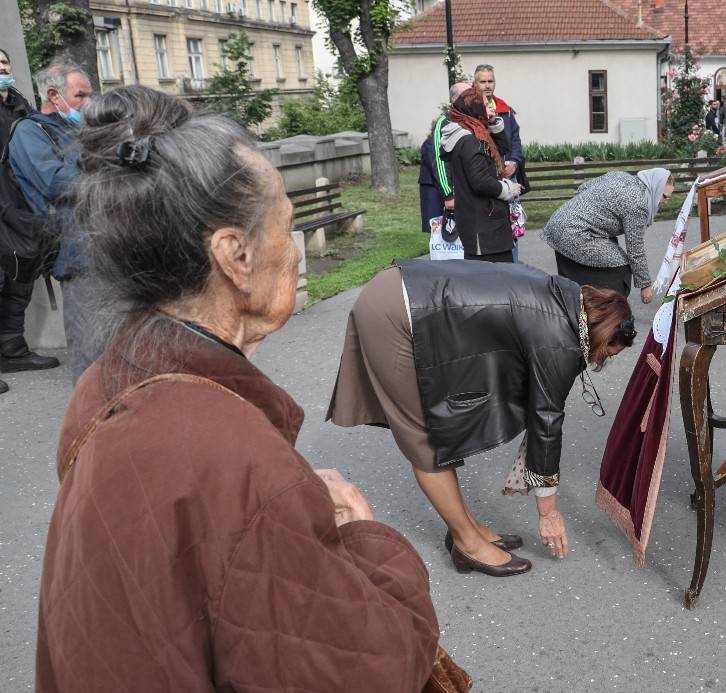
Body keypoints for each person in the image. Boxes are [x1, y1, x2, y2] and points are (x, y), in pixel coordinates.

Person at [36, 86, 446, 691]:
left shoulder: (109, 379)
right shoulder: (239, 461)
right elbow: (373, 671)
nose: (297, 252)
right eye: (286, 224)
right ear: (235, 256)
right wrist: (363, 535)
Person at [328, 259, 636, 577]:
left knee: (440, 428)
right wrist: (549, 514)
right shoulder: (559, 340)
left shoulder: (564, 298)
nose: (599, 362)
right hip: (395, 313)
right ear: (603, 336)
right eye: (606, 354)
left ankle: (466, 527)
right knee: (426, 439)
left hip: (407, 289)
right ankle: (467, 544)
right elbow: (546, 422)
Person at [8, 61, 92, 379]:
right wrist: (110, 174)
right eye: (81, 95)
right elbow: (56, 182)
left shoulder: (81, 130)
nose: (88, 102)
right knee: (90, 347)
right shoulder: (30, 131)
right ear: (54, 95)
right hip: (75, 251)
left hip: (107, 243)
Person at [0, 50, 60, 393]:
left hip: (22, 202)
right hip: (1, 204)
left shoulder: (19, 104)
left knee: (21, 274)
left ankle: (12, 350)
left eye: (4, 63)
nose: (2, 68)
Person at [541, 168, 673, 303]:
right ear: (655, 188)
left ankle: (576, 300)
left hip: (558, 221)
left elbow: (583, 187)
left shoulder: (621, 175)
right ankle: (606, 308)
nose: (665, 201)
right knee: (621, 266)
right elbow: (635, 250)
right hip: (576, 233)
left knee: (609, 253)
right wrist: (645, 286)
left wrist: (591, 211)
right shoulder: (638, 205)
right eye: (664, 196)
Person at [439, 87, 521, 262]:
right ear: (474, 108)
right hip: (484, 223)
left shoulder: (477, 132)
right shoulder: (470, 140)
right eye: (485, 104)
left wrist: (494, 122)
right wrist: (508, 189)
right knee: (496, 274)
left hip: (484, 220)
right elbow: (480, 181)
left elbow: (501, 150)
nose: (491, 107)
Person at [473, 64, 525, 261]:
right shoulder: (470, 111)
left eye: (491, 81)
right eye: (483, 81)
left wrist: (514, 162)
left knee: (513, 225)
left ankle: (513, 267)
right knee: (489, 225)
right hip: (484, 179)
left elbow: (515, 141)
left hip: (508, 178)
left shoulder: (505, 109)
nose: (487, 85)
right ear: (475, 83)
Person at [418, 80, 471, 234]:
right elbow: (439, 161)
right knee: (442, 235)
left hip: (460, 189)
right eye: (466, 94)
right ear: (454, 99)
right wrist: (448, 195)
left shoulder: (471, 120)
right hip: (438, 188)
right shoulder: (444, 123)